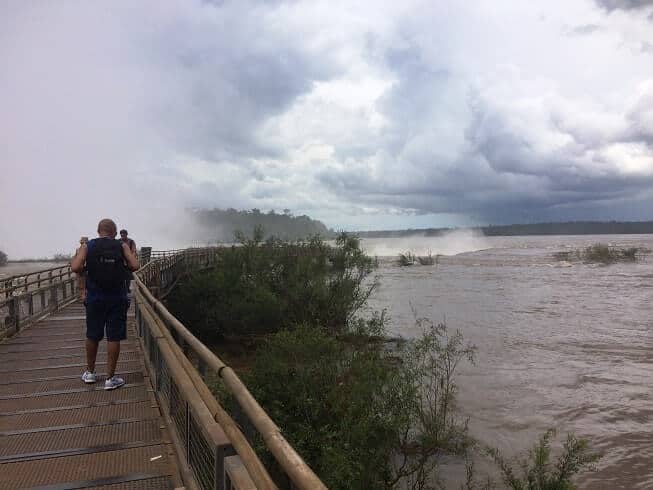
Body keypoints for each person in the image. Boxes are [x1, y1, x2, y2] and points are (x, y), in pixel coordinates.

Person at [71, 218, 139, 390]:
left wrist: (84, 263)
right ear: (115, 232)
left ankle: (90, 373)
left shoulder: (89, 246)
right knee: (114, 337)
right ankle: (110, 379)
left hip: (94, 298)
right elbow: (135, 265)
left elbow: (75, 266)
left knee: (92, 335)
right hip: (117, 298)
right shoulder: (121, 246)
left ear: (98, 231)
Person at [75, 236, 89, 301]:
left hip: (86, 268)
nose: (82, 243)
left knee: (85, 282)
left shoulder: (89, 248)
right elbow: (75, 257)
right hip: (79, 268)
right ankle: (81, 296)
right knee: (79, 282)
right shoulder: (77, 249)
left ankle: (84, 296)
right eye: (81, 242)